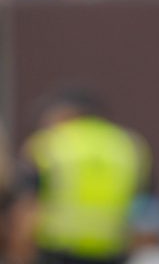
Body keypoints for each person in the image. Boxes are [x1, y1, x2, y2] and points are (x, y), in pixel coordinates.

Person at [7, 89, 151, 264]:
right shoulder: (128, 146)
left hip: (57, 253)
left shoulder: (49, 144)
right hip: (112, 254)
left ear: (65, 114)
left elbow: (27, 212)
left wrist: (19, 255)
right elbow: (143, 213)